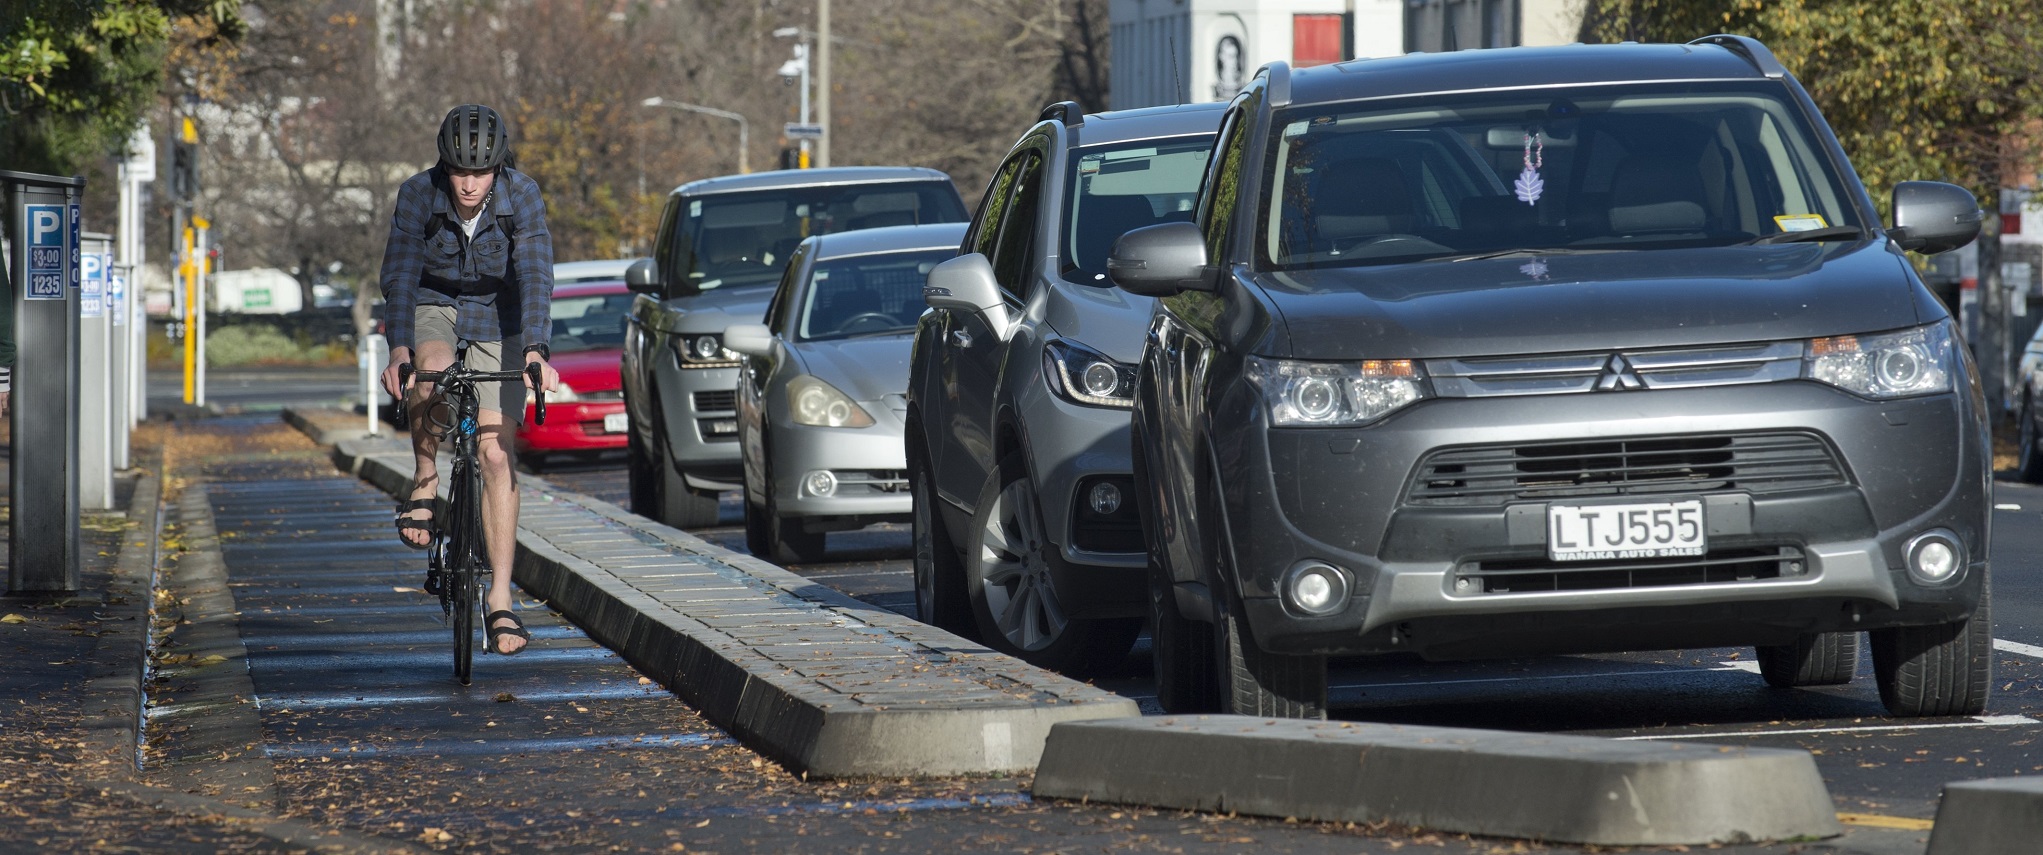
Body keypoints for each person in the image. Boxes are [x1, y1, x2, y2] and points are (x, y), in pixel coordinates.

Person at [378, 104, 558, 657]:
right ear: (444, 165)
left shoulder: (521, 195)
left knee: (496, 452)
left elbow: (534, 276)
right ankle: (426, 478)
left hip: (500, 315)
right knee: (429, 377)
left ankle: (500, 599)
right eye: (459, 172)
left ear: (498, 167)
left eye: (479, 173)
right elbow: (402, 275)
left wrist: (534, 351)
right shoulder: (417, 194)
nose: (469, 184)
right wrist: (400, 351)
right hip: (436, 302)